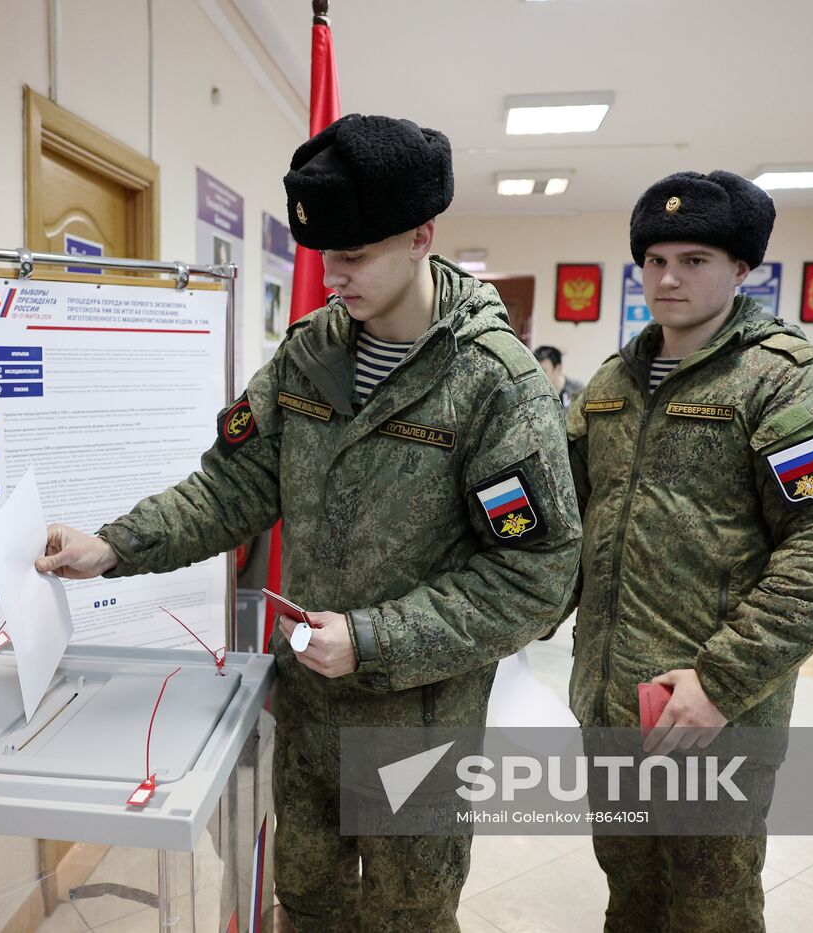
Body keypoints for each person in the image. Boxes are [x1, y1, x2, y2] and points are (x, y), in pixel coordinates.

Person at [35, 114, 581, 932]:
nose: (334, 276)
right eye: (326, 254)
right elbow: (230, 488)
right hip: (310, 719)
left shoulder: (493, 386)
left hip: (417, 731)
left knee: (407, 917)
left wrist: (373, 638)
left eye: (355, 255)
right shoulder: (310, 357)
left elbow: (534, 580)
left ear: (421, 236)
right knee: (310, 906)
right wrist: (114, 544)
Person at [566, 170, 813, 931]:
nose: (668, 277)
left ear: (743, 269)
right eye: (656, 259)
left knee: (712, 904)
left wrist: (718, 681)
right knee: (629, 889)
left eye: (696, 259)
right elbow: (565, 525)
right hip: (612, 702)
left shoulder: (787, 385)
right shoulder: (611, 384)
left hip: (714, 713)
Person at [533, 345, 584, 411]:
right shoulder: (533, 391)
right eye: (535, 371)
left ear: (558, 368)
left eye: (544, 371)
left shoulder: (577, 390)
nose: (538, 377)